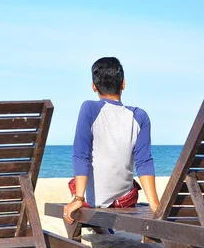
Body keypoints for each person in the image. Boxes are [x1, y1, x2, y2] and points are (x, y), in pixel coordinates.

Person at [63, 57, 159, 224]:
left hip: (95, 202)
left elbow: (81, 155)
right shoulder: (140, 116)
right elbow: (144, 161)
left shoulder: (89, 108)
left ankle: (97, 223)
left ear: (94, 86)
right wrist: (155, 205)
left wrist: (79, 198)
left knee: (74, 183)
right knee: (131, 184)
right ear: (123, 84)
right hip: (125, 201)